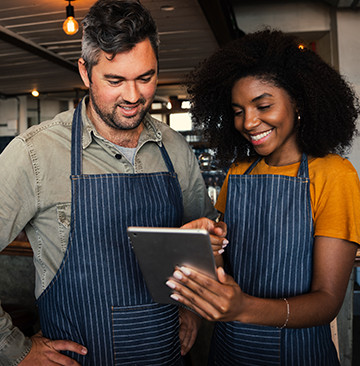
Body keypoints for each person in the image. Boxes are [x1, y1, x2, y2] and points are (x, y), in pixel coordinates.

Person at [0, 0, 225, 364]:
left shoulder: (173, 147)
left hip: (165, 355)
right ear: (85, 73)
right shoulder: (35, 154)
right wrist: (15, 350)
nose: (134, 96)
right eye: (115, 80)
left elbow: (205, 238)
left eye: (145, 77)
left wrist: (194, 308)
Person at [166, 29, 360, 365]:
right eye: (238, 110)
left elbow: (327, 301)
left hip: (298, 354)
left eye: (263, 105)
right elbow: (222, 270)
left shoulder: (334, 175)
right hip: (228, 351)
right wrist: (206, 247)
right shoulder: (239, 172)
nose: (249, 121)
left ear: (298, 101)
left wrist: (244, 308)